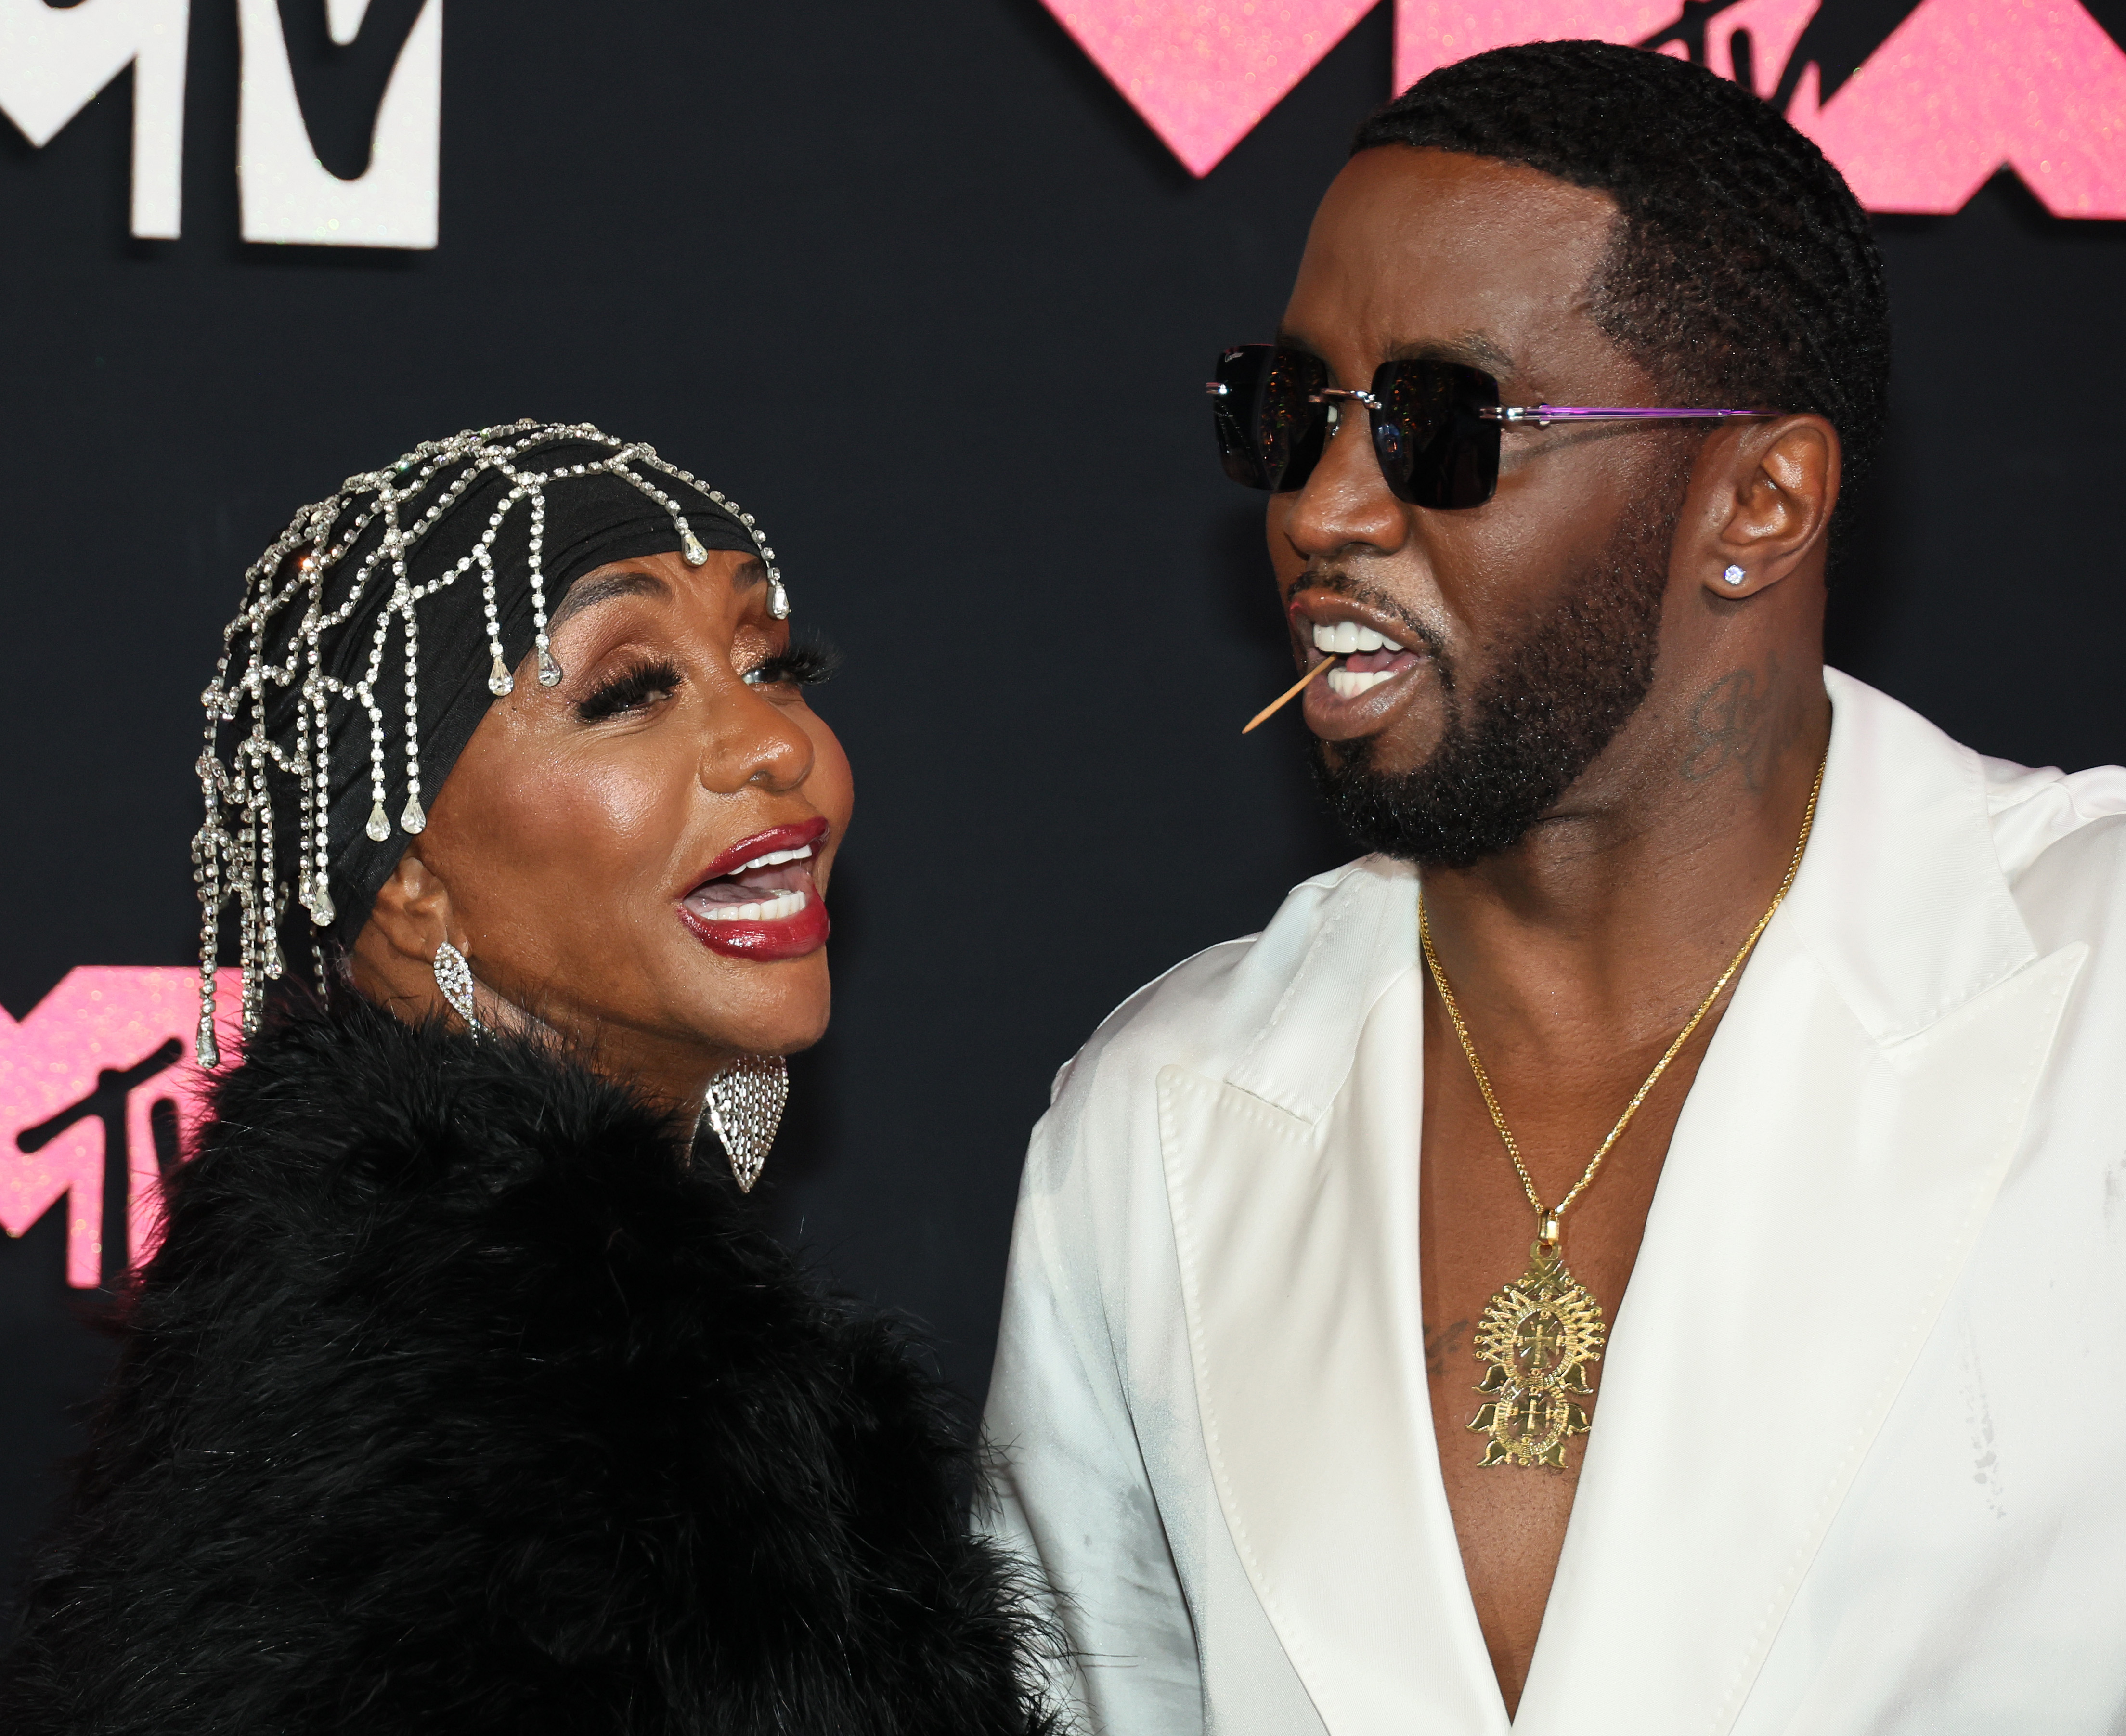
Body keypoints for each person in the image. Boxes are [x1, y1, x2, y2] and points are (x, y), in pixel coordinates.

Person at [980, 41, 2126, 1736]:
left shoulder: (2098, 987)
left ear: (1759, 502)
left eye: (1443, 427)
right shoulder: (1152, 1122)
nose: (1325, 510)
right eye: (1290, 411)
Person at [0, 421, 1053, 1734]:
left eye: (774, 665)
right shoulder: (460, 1426)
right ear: (409, 882)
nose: (775, 745)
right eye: (630, 690)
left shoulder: (530, 1347)